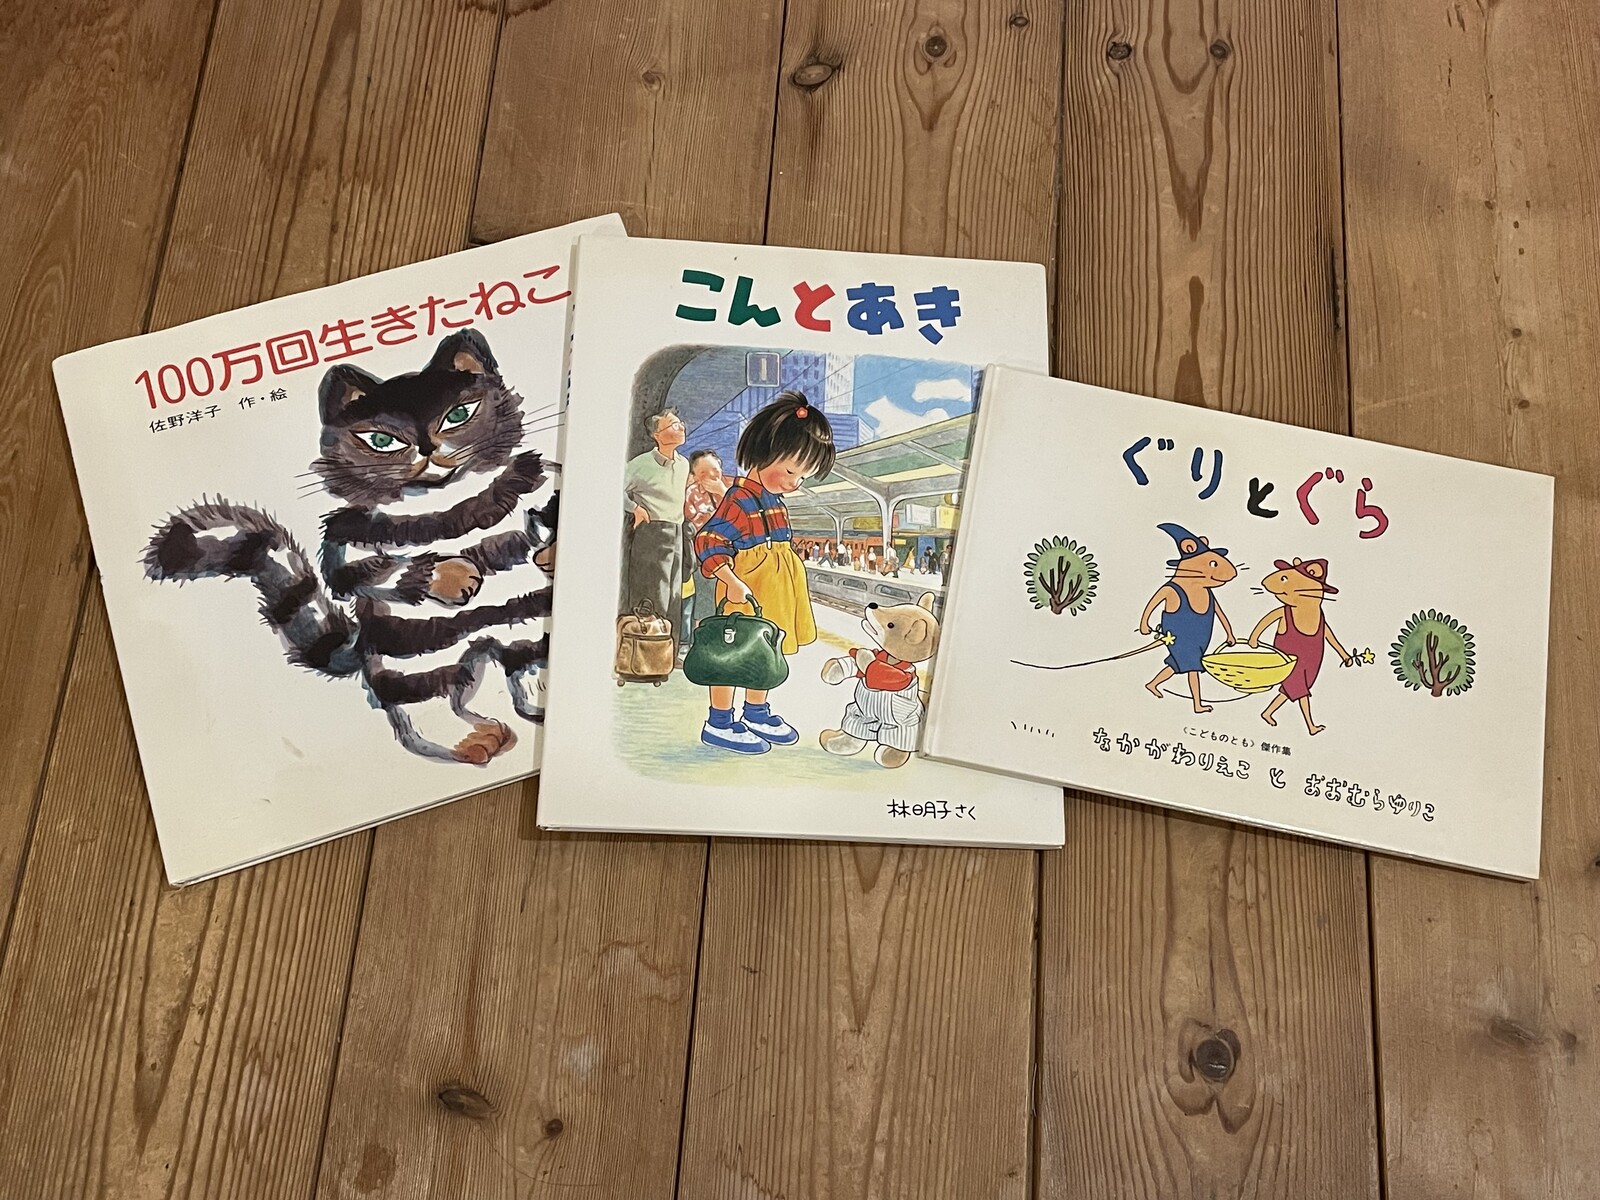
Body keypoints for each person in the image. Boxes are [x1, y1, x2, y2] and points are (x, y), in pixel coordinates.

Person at [693, 392, 836, 754]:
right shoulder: (739, 500)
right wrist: (731, 582)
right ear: (762, 452)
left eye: (802, 477)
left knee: (765, 651)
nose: (794, 482)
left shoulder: (775, 502)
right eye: (790, 471)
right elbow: (709, 541)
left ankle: (755, 711)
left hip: (775, 594)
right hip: (746, 591)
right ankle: (719, 721)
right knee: (731, 652)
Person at [623, 410, 689, 647]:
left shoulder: (684, 464)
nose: (681, 428)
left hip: (677, 531)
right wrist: (635, 509)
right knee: (653, 594)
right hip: (652, 532)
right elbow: (613, 488)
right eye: (673, 425)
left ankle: (668, 651)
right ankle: (646, 650)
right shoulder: (640, 464)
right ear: (656, 435)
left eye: (680, 423)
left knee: (674, 594)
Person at [682, 448, 728, 644]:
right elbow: (690, 525)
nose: (711, 476)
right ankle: (703, 643)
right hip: (704, 557)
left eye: (715, 471)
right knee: (705, 602)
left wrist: (723, 493)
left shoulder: (729, 492)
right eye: (703, 473)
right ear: (694, 475)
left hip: (730, 557)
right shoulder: (690, 494)